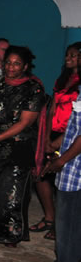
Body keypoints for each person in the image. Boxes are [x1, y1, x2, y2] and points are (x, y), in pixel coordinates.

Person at [0, 45, 45, 246]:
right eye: (8, 62)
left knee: (11, 192)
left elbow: (25, 123)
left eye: (16, 64)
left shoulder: (33, 88)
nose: (11, 67)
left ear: (25, 66)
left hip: (18, 144)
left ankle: (10, 234)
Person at [31, 42, 81, 240]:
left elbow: (76, 122)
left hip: (70, 136)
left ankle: (60, 225)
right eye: (67, 55)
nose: (68, 58)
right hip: (52, 132)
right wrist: (46, 136)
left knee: (64, 181)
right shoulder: (63, 79)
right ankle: (49, 217)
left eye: (73, 55)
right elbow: (52, 108)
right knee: (40, 173)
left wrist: (58, 142)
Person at [38, 84, 81, 262]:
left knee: (69, 223)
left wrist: (61, 160)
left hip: (77, 170)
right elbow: (75, 129)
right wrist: (55, 145)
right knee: (67, 222)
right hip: (72, 166)